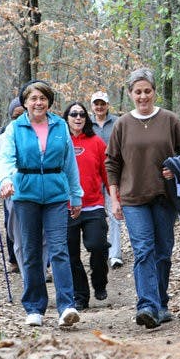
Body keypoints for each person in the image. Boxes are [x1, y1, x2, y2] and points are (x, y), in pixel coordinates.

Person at [105, 68, 180, 329]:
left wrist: (177, 166)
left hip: (165, 196)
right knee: (144, 250)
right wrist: (114, 197)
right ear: (131, 94)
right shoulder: (122, 124)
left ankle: (161, 303)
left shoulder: (169, 120)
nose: (143, 96)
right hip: (133, 198)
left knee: (163, 253)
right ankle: (146, 305)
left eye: (147, 91)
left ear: (154, 92)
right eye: (137, 92)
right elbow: (112, 162)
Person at [0, 80, 83, 327]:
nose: (38, 103)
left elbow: (69, 164)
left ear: (49, 102)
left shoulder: (60, 125)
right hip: (25, 195)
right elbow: (5, 160)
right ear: (25, 102)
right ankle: (34, 308)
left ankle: (67, 306)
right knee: (31, 251)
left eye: (42, 98)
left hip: (55, 195)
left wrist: (76, 196)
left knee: (59, 250)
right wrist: (5, 181)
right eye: (33, 98)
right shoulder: (15, 128)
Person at [63, 101, 110, 311]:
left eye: (82, 114)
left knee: (97, 245)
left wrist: (116, 197)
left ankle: (99, 281)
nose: (78, 117)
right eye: (73, 114)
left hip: (93, 205)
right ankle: (80, 295)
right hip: (66, 207)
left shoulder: (97, 142)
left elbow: (107, 172)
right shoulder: (59, 141)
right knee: (71, 253)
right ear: (66, 118)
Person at [0, 97, 25, 273]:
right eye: (15, 115)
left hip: (29, 186)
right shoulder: (4, 133)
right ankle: (14, 260)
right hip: (8, 187)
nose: (19, 118)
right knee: (10, 226)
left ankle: (43, 265)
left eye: (22, 114)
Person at [90, 91, 123, 269]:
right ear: (92, 106)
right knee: (96, 216)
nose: (100, 107)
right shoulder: (87, 124)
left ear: (108, 105)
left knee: (114, 213)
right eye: (96, 104)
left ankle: (115, 254)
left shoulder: (118, 122)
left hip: (113, 175)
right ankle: (100, 250)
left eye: (103, 103)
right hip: (93, 176)